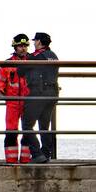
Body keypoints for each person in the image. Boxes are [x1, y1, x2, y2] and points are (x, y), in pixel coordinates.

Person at [20, 32, 59, 163]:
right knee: (44, 126)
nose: (33, 43)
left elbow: (20, 71)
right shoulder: (54, 56)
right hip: (53, 94)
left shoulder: (35, 56)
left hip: (38, 93)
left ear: (39, 42)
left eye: (35, 41)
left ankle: (37, 154)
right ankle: (46, 153)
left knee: (26, 124)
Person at [0, 34, 30, 159]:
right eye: (20, 46)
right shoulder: (7, 64)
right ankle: (11, 161)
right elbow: (0, 80)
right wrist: (0, 91)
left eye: (25, 46)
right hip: (12, 102)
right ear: (15, 47)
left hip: (28, 102)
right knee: (11, 131)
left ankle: (26, 160)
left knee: (28, 132)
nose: (23, 48)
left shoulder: (32, 62)